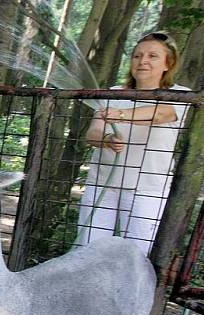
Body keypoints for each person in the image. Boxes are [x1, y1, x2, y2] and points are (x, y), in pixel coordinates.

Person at [78, 32, 190, 259]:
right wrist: (106, 140)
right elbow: (93, 133)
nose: (143, 61)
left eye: (153, 56)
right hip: (103, 185)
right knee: (88, 253)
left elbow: (161, 114)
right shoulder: (112, 94)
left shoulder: (179, 95)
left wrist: (120, 115)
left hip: (148, 190)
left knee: (137, 257)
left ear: (168, 63)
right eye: (137, 56)